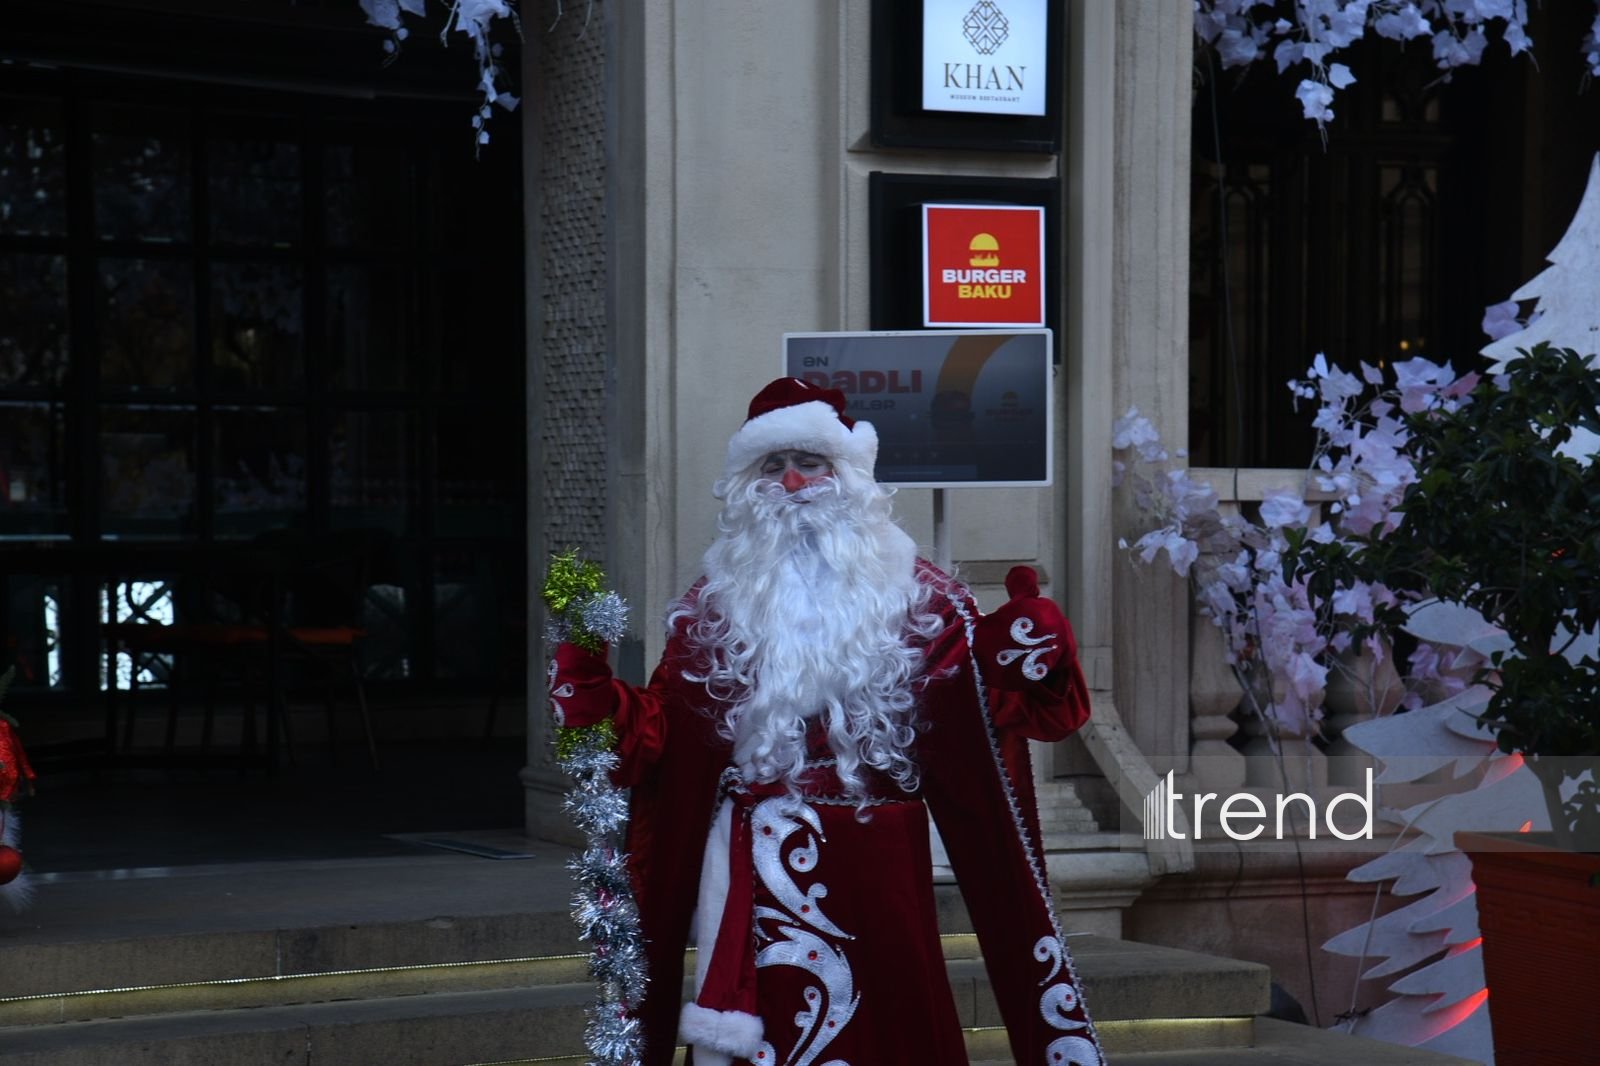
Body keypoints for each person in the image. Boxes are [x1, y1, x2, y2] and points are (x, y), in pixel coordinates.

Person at [549, 378, 1103, 1066]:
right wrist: (598, 700)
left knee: (894, 1032)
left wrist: (1038, 658)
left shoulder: (927, 604)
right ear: (746, 488)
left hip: (882, 871)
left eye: (810, 464)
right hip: (754, 878)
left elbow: (1015, 721)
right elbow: (660, 741)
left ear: (848, 476)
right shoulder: (710, 616)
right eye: (770, 467)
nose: (790, 481)